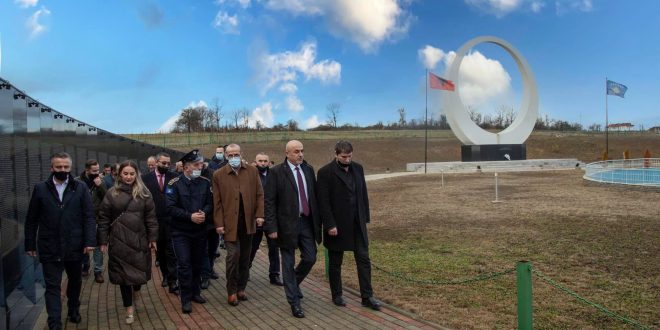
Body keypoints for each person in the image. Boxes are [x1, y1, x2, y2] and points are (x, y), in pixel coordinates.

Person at [25, 152, 96, 330]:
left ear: (70, 168)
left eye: (65, 167)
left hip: (75, 244)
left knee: (75, 281)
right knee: (52, 285)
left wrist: (89, 241)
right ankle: (54, 321)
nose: (62, 170)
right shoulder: (40, 188)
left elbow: (88, 216)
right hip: (50, 245)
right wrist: (29, 244)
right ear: (52, 168)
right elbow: (31, 218)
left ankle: (73, 309)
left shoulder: (80, 188)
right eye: (58, 167)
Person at [317, 141, 381, 311]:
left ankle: (367, 297)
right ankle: (336, 294)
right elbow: (323, 202)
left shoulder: (358, 168)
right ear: (336, 154)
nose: (347, 160)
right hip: (337, 226)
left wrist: (365, 217)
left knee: (364, 260)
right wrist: (330, 224)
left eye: (349, 156)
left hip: (357, 224)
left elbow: (363, 194)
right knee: (336, 263)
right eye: (343, 157)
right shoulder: (325, 172)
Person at [264, 140, 321, 318]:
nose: (300, 154)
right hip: (285, 225)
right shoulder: (276, 172)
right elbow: (269, 202)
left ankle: (293, 284)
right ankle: (294, 302)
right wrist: (272, 227)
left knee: (310, 257)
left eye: (302, 151)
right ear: (287, 153)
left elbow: (313, 196)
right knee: (287, 263)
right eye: (296, 151)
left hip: (306, 222)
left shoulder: (308, 169)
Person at [97, 160, 158, 324]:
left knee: (138, 277)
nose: (129, 177)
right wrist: (102, 241)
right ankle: (129, 309)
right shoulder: (111, 193)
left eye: (132, 174)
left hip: (139, 240)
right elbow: (103, 219)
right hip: (119, 241)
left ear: (136, 174)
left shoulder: (144, 193)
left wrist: (153, 238)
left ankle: (136, 291)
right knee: (124, 278)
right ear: (119, 175)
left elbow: (151, 218)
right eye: (125, 173)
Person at [213, 144, 264, 306]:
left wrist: (259, 214)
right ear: (226, 156)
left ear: (241, 154)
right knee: (232, 257)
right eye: (230, 155)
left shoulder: (252, 171)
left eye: (236, 154)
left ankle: (242, 288)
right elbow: (217, 202)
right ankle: (231, 291)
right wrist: (219, 223)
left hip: (248, 222)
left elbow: (259, 194)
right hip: (229, 224)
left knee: (245, 257)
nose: (234, 157)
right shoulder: (219, 174)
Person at [166, 149, 213, 314]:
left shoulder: (205, 182)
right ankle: (185, 298)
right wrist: (189, 216)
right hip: (181, 232)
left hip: (199, 231)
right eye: (196, 165)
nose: (200, 167)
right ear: (186, 167)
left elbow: (209, 203)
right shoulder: (174, 184)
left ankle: (195, 293)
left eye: (201, 164)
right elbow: (170, 208)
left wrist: (204, 213)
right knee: (185, 265)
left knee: (197, 263)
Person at [142, 152, 179, 294]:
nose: (166, 166)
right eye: (163, 163)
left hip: (171, 222)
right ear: (157, 162)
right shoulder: (145, 179)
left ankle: (172, 281)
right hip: (155, 222)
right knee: (161, 253)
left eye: (168, 164)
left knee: (171, 253)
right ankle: (165, 275)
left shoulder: (174, 178)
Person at [248, 152, 283, 286]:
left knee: (274, 249)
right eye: (260, 161)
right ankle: (246, 271)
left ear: (269, 162)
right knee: (251, 248)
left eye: (265, 161)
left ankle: (274, 275)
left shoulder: (274, 175)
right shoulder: (250, 176)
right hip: (255, 218)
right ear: (255, 162)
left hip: (271, 219)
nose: (263, 163)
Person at [75, 159, 108, 283]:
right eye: (94, 171)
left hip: (97, 219)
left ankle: (98, 271)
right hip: (82, 219)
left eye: (98, 170)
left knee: (99, 246)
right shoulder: (77, 181)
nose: (97, 173)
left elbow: (108, 198)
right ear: (87, 170)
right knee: (83, 244)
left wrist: (100, 186)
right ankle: (85, 265)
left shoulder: (101, 181)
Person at [200, 146, 227, 289]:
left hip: (213, 219)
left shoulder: (213, 175)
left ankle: (210, 269)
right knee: (203, 249)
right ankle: (204, 275)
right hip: (200, 220)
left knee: (212, 249)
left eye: (201, 163)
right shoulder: (194, 176)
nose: (199, 166)